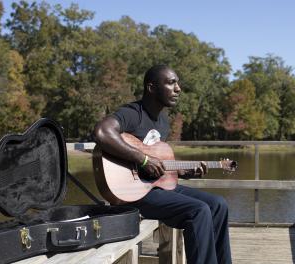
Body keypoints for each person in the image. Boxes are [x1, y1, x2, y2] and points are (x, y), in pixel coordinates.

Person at [93, 65, 232, 264]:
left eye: (177, 83)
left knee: (219, 205)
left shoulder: (163, 121)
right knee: (198, 210)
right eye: (171, 82)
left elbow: (160, 169)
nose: (178, 88)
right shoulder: (133, 113)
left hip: (156, 188)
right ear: (151, 87)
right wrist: (143, 159)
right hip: (133, 194)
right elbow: (102, 132)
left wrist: (186, 172)